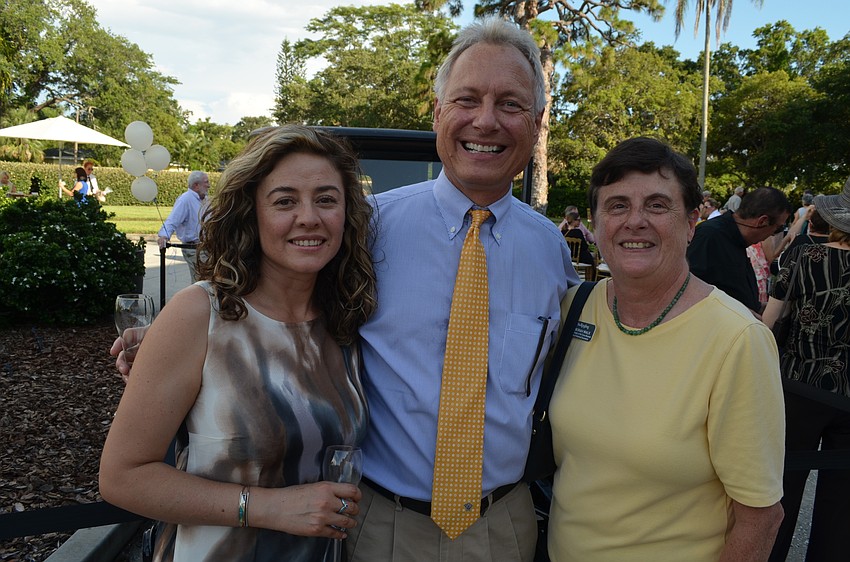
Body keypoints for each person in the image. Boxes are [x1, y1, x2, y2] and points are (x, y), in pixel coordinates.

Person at [347, 17, 576, 561]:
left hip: (503, 526)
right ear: (438, 112)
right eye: (466, 99)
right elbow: (280, 312)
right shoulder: (365, 228)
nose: (486, 120)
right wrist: (192, 340)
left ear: (538, 122)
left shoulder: (551, 250)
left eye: (511, 105)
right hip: (382, 526)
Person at [100, 125, 377, 561]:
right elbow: (121, 477)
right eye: (285, 201)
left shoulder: (345, 323)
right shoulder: (200, 315)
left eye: (326, 199)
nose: (309, 217)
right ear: (251, 213)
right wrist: (269, 507)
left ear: (347, 214)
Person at [548, 137, 784, 561]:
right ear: (595, 222)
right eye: (617, 205)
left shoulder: (736, 341)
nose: (634, 221)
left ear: (692, 222)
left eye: (657, 206)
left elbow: (760, 517)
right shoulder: (574, 308)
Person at [763, 178, 850, 562]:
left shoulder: (804, 255)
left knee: (781, 484)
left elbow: (769, 320)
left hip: (798, 384)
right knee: (842, 495)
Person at [687, 186, 792, 317]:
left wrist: (759, 307)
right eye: (777, 229)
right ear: (762, 221)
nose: (772, 235)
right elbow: (687, 290)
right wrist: (740, 311)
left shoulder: (736, 239)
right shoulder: (709, 236)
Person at [157, 171, 210, 282]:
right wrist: (164, 236)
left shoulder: (204, 200)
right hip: (194, 249)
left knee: (206, 282)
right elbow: (173, 219)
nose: (209, 185)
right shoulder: (185, 200)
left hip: (206, 248)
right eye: (206, 182)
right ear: (196, 185)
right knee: (202, 282)